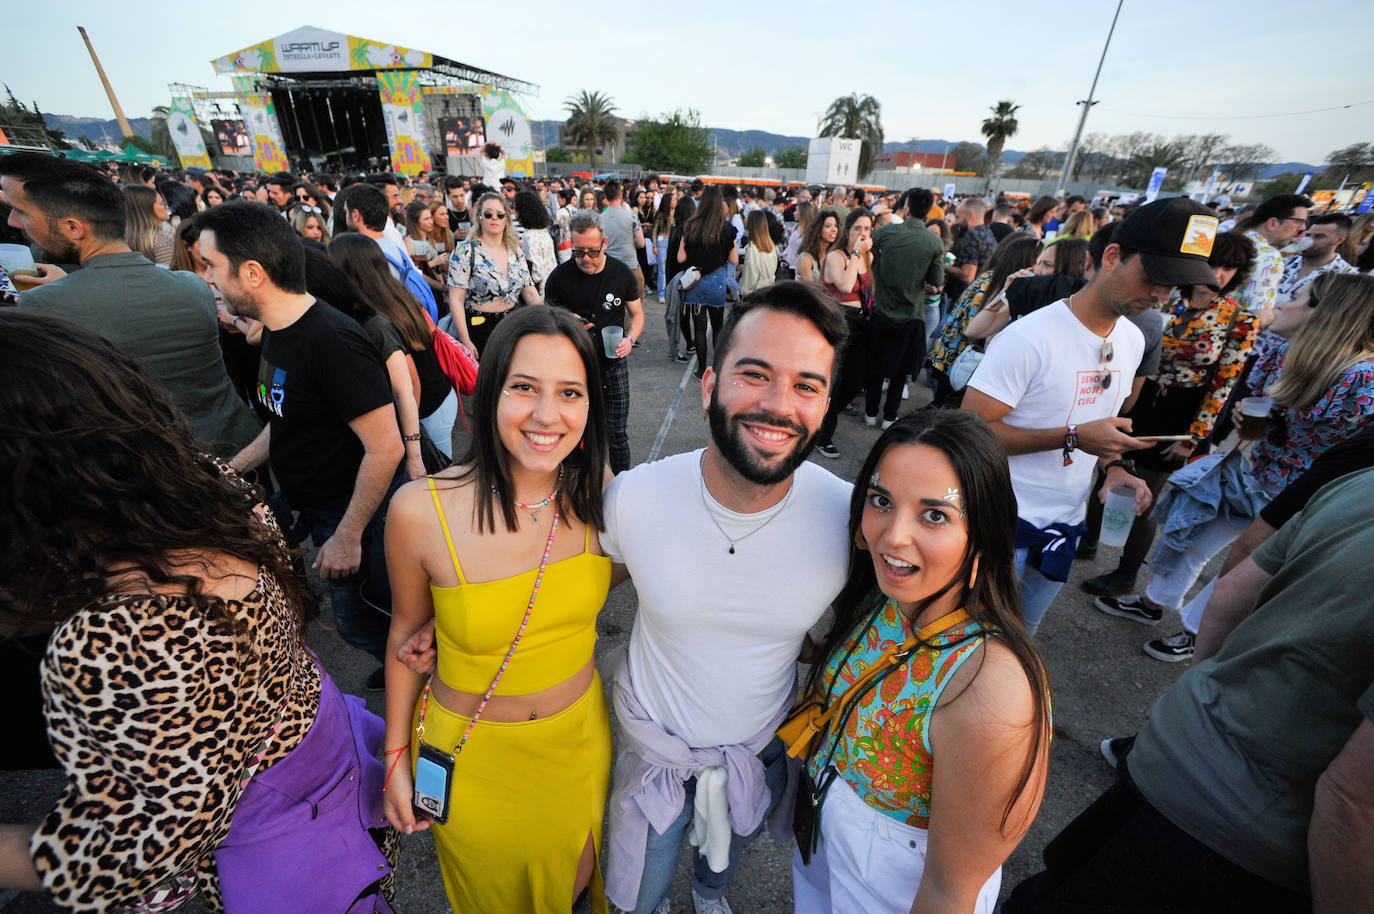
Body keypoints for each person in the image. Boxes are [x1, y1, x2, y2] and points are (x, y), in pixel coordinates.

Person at [0, 309, 397, 913]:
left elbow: (138, 846)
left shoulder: (119, 632)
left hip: (275, 824)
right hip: (319, 746)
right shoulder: (207, 492)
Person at [1004, 467, 1374, 914]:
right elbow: (1352, 801)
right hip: (1243, 838)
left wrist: (1198, 689)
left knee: (1051, 892)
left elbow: (1229, 595)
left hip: (1172, 754)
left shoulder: (1359, 482)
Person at [595, 282, 850, 914]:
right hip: (653, 751)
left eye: (806, 386)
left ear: (824, 408)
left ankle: (711, 897)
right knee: (638, 894)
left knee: (722, 864)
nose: (777, 405)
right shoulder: (636, 497)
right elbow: (575, 592)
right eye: (754, 374)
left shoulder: (849, 519)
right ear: (710, 385)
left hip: (757, 749)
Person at [382, 306, 614, 913]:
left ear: (590, 405)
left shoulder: (601, 494)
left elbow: (609, 577)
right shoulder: (419, 511)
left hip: (579, 745)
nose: (546, 415)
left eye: (570, 392)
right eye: (523, 388)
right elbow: (405, 638)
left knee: (573, 888)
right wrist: (395, 761)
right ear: (488, 394)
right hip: (473, 758)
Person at [792, 410, 1052, 913]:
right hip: (824, 845)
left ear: (983, 531)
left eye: (935, 514)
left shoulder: (990, 688)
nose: (892, 537)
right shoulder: (888, 595)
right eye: (881, 501)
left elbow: (951, 892)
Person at [962, 197, 1223, 633]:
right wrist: (1072, 437)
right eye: (1155, 277)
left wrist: (1116, 465)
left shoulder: (1132, 340)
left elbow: (1098, 428)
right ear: (1113, 256)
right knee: (963, 650)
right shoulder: (1030, 337)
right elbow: (971, 430)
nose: (1161, 294)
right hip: (996, 529)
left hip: (1063, 529)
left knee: (1015, 650)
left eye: (1174, 285)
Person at [1097, 272, 1374, 657]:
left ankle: (1198, 633)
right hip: (1252, 473)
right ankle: (1153, 604)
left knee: (1244, 563)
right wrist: (1248, 417)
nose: (1281, 302)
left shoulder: (1362, 379)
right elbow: (1264, 413)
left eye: (1296, 296)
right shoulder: (1280, 349)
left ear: (1324, 314)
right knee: (1193, 541)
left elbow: (1353, 452)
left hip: (1300, 496)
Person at [201, 202, 404, 675]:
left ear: (251, 272)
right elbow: (284, 416)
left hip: (353, 512)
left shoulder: (331, 341)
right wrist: (236, 465)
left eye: (211, 265)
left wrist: (349, 537)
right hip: (312, 504)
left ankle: (420, 693)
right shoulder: (277, 330)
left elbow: (385, 446)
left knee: (366, 622)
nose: (208, 278)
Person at [2, 153, 260, 459]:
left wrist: (67, 288)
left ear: (74, 227)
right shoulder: (193, 287)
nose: (12, 222)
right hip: (240, 448)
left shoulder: (41, 307)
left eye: (21, 211)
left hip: (165, 471)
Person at [1079, 231, 1259, 597]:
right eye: (1214, 263)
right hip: (1138, 396)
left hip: (1181, 412)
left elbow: (1224, 384)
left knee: (1145, 494)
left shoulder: (1240, 319)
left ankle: (1127, 572)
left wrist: (1195, 437)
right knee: (1106, 469)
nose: (1220, 274)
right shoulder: (1165, 300)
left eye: (1231, 267)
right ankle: (1088, 539)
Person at [328, 233, 452, 474]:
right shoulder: (394, 291)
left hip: (428, 409)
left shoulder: (376, 322)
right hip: (439, 397)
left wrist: (412, 450)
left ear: (349, 272)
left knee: (439, 481)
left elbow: (409, 386)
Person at [544, 210, 646, 474]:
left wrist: (630, 339)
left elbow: (637, 315)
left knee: (617, 435)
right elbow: (547, 320)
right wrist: (566, 320)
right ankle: (582, 487)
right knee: (580, 434)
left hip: (613, 366)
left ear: (605, 243)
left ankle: (623, 485)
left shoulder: (622, 274)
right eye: (579, 252)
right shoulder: (559, 278)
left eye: (592, 251)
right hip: (574, 370)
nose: (586, 258)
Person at [926, 234, 1043, 407]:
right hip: (957, 363)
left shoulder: (990, 276)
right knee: (942, 411)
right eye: (1040, 262)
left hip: (948, 357)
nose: (1040, 269)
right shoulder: (997, 285)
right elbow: (974, 328)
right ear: (1026, 261)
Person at [866, 188, 945, 428]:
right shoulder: (933, 241)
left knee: (876, 368)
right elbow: (937, 280)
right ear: (928, 209)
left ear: (907, 208)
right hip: (911, 314)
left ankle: (870, 413)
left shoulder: (885, 233)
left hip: (881, 310)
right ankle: (889, 417)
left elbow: (867, 253)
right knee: (900, 372)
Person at [446, 191, 542, 356]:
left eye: (499, 214)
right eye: (488, 214)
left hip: (512, 323)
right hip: (479, 327)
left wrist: (549, 318)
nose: (494, 218)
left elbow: (530, 292)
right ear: (480, 217)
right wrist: (466, 340)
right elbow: (456, 299)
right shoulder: (465, 250)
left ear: (506, 218)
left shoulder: (514, 249)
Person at [814, 207, 875, 459]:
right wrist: (855, 254)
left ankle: (823, 421)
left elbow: (867, 287)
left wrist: (862, 256)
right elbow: (845, 285)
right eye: (858, 228)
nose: (862, 233)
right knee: (834, 380)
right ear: (848, 230)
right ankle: (822, 433)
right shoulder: (837, 256)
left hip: (861, 323)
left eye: (868, 229)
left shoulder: (866, 257)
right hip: (839, 319)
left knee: (854, 381)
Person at [340, 183, 438, 321]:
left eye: (346, 212)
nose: (345, 217)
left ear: (355, 215)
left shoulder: (369, 254)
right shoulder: (392, 245)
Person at [678, 186, 740, 379]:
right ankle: (718, 367)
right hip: (717, 282)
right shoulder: (727, 228)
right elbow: (734, 260)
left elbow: (681, 258)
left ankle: (701, 368)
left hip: (696, 282)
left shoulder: (690, 226)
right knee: (718, 326)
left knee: (699, 327)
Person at [1234, 193, 1310, 326]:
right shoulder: (1268, 256)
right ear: (1272, 223)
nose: (1303, 228)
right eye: (1298, 222)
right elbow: (1259, 317)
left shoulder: (1232, 239)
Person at [1278, 212, 1356, 300]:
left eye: (1319, 236)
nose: (1310, 240)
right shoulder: (1285, 260)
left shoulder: (1345, 275)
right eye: (1308, 235)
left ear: (1339, 240)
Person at [599, 180, 647, 300]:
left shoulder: (599, 219)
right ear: (620, 195)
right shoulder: (631, 216)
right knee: (637, 298)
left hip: (609, 266)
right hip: (631, 264)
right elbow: (641, 243)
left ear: (606, 197)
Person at [513, 188, 558, 296]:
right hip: (552, 284)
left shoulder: (527, 236)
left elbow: (536, 271)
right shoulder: (544, 232)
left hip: (538, 291)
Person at [123, 184, 175, 266]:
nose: (166, 207)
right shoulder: (161, 240)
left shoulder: (121, 238)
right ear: (148, 209)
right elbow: (170, 274)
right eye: (162, 203)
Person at [402, 201, 445, 295]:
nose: (431, 222)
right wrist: (434, 262)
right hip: (425, 290)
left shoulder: (429, 238)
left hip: (436, 286)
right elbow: (414, 271)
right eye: (426, 219)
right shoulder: (410, 242)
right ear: (415, 222)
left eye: (430, 217)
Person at [739, 209, 779, 296]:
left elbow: (751, 274)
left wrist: (744, 292)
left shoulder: (753, 248)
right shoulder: (771, 245)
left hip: (754, 294)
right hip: (768, 290)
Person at [797, 209, 840, 285]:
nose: (834, 229)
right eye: (828, 226)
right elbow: (813, 290)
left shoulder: (833, 254)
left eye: (835, 226)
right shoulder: (805, 258)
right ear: (818, 229)